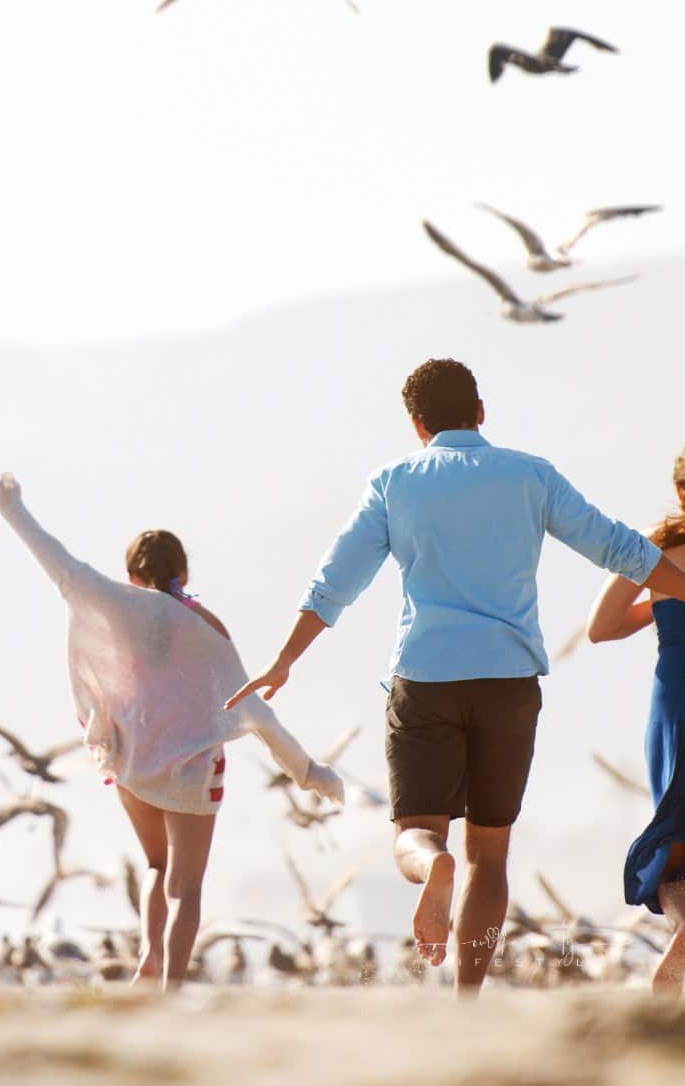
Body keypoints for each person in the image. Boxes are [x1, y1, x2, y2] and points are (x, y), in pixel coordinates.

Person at [226, 358, 685, 994]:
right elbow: (621, 548)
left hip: (426, 681)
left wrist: (284, 660)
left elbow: (334, 583)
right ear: (481, 412)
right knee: (490, 854)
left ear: (417, 425)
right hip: (508, 683)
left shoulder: (394, 482)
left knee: (415, 835)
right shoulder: (531, 474)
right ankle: (468, 997)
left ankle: (431, 866)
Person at [0, 474, 342, 989]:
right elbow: (253, 711)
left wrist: (12, 508)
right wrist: (307, 772)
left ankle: (148, 959)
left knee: (156, 866)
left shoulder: (115, 603)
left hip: (133, 759)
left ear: (132, 573)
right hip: (193, 768)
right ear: (184, 570)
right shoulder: (208, 627)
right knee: (186, 884)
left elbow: (58, 563)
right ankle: (171, 984)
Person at [588, 448, 685, 996]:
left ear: (679, 492)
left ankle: (676, 961)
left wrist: (666, 600)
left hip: (674, 697)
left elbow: (601, 627)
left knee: (674, 837)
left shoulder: (655, 543)